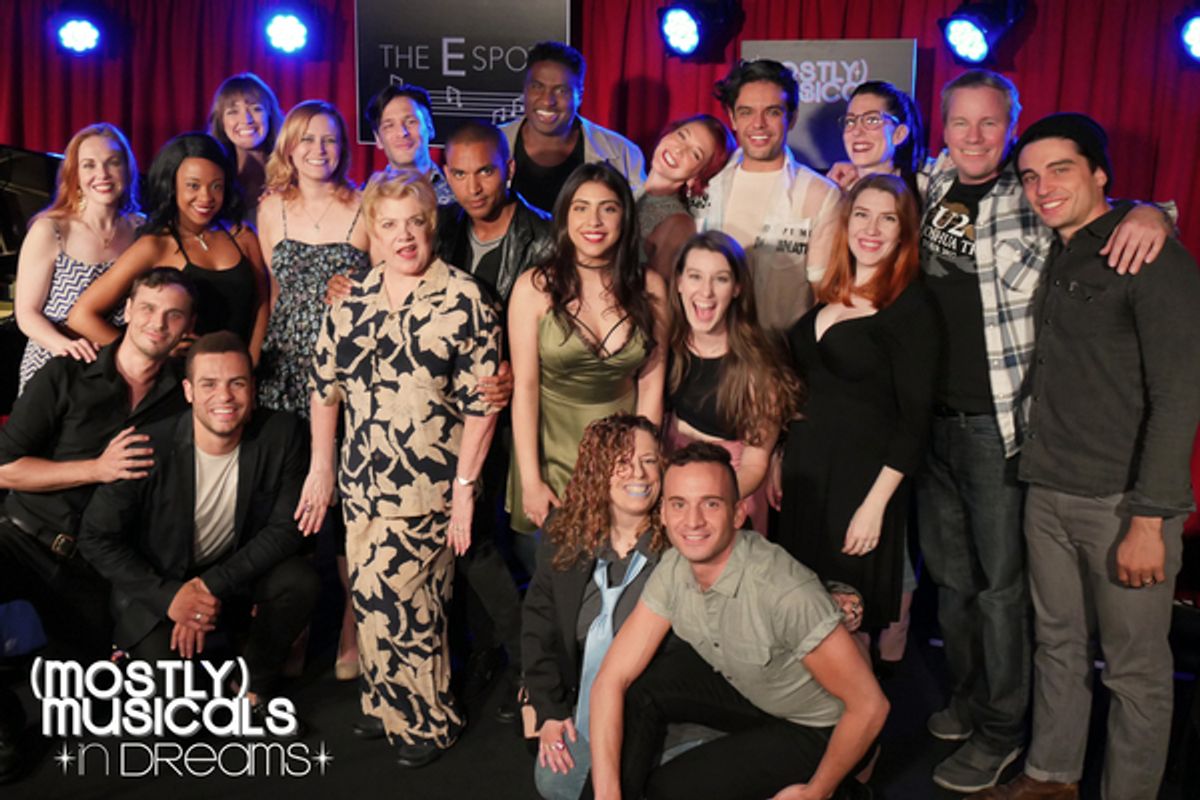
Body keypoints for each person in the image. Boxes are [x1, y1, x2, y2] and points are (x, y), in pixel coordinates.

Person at [915, 70, 1174, 794]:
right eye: (959, 122)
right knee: (958, 587)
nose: (973, 137)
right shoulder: (928, 184)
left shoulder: (1029, 199)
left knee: (1004, 594)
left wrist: (1155, 210)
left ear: (1011, 124)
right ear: (942, 128)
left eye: (989, 124)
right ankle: (985, 712)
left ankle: (1003, 729)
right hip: (934, 429)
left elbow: (1116, 219)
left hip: (1001, 430)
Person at [971, 114, 1200, 800]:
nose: (1042, 188)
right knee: (1059, 647)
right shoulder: (1058, 250)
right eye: (1031, 176)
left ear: (1100, 173)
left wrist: (1149, 518)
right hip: (1046, 491)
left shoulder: (1150, 254)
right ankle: (1051, 775)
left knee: (1134, 669)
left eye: (1061, 170)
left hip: (1122, 503)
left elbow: (1181, 396)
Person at [298, 169, 502, 768]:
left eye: (415, 222)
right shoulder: (352, 301)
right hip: (363, 484)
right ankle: (387, 705)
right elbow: (323, 390)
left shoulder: (465, 299)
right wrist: (321, 469)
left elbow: (484, 404)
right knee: (370, 601)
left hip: (430, 488)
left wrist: (464, 491)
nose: (403, 236)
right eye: (389, 225)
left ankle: (430, 722)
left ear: (432, 225)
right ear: (372, 231)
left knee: (412, 609)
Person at [588, 443, 887, 800]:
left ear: (738, 513)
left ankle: (848, 790)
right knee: (642, 692)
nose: (693, 521)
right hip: (752, 690)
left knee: (667, 791)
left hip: (818, 725)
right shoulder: (673, 568)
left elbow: (870, 706)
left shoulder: (782, 590)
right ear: (663, 513)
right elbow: (611, 679)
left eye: (710, 503)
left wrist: (817, 792)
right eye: (679, 504)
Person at [0, 268, 196, 775]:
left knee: (104, 707)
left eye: (173, 315)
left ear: (185, 328)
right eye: (148, 309)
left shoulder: (183, 399)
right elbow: (5, 468)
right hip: (22, 538)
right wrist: (96, 468)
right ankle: (4, 730)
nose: (158, 323)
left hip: (94, 568)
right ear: (127, 311)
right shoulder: (67, 372)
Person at [78, 332, 319, 712]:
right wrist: (171, 597)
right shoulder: (146, 445)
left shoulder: (281, 433)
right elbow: (95, 537)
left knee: (299, 580)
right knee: (178, 715)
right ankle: (141, 659)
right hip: (160, 584)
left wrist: (206, 587)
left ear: (253, 388)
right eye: (209, 384)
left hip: (230, 575)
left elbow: (286, 529)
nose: (224, 397)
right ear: (188, 390)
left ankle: (253, 687)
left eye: (236, 383)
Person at [775, 174, 938, 637]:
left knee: (846, 623)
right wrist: (777, 457)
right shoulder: (830, 296)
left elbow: (914, 420)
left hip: (860, 485)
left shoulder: (910, 309)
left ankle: (867, 710)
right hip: (805, 482)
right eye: (862, 215)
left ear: (904, 232)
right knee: (803, 622)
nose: (872, 229)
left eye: (888, 219)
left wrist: (875, 506)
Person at [437, 119, 554, 717]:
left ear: (508, 168)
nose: (473, 185)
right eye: (459, 173)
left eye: (485, 170)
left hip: (521, 417)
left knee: (511, 545)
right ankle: (489, 653)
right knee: (469, 543)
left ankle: (534, 668)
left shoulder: (544, 236)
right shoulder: (439, 228)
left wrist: (514, 365)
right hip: (448, 416)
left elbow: (560, 330)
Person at [256, 99, 370, 681]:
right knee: (291, 506)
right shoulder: (271, 207)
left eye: (329, 140)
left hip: (347, 374)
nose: (319, 151)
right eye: (307, 141)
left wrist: (362, 290)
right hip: (284, 374)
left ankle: (352, 624)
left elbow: (392, 288)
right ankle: (294, 626)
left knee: (348, 506)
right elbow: (270, 293)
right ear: (290, 148)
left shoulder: (365, 206)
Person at [507, 162, 667, 566]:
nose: (593, 221)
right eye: (581, 207)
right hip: (550, 458)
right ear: (564, 216)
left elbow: (650, 386)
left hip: (623, 466)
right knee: (551, 596)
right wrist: (531, 479)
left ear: (624, 218)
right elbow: (524, 389)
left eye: (608, 208)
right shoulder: (534, 287)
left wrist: (642, 470)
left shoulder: (650, 288)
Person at [523, 414, 667, 800]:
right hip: (585, 706)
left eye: (649, 460)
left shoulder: (680, 539)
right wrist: (550, 711)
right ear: (597, 470)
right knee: (557, 782)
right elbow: (539, 626)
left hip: (660, 709)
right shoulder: (563, 534)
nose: (638, 472)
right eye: (622, 462)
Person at [67, 133, 270, 364]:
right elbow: (81, 316)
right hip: (179, 380)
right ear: (172, 185)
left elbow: (261, 305)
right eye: (193, 186)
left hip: (238, 375)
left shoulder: (242, 236)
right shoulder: (155, 245)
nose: (206, 197)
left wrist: (249, 366)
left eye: (216, 186)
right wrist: (148, 353)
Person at [665, 230, 800, 534]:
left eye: (721, 279)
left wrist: (709, 501)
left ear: (738, 288)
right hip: (672, 479)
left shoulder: (758, 365)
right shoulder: (667, 344)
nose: (706, 292)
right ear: (679, 283)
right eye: (696, 276)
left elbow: (754, 463)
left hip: (729, 489)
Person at [695, 58, 841, 335]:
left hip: (780, 354)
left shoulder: (820, 194)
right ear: (732, 117)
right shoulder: (706, 182)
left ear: (792, 117)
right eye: (747, 112)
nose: (758, 124)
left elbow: (824, 295)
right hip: (707, 349)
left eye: (772, 112)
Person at [14, 123, 141, 393]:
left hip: (117, 372)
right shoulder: (51, 230)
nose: (102, 174)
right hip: (55, 365)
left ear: (127, 170)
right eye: (89, 165)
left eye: (112, 163)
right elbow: (26, 313)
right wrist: (67, 347)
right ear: (75, 175)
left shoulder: (142, 230)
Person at [502, 41, 646, 215]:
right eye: (537, 87)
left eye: (561, 91)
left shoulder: (623, 153)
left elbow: (642, 222)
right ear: (525, 90)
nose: (548, 100)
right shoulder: (490, 145)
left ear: (580, 95)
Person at [637, 115, 733, 281]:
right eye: (682, 136)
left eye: (695, 154)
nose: (679, 150)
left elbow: (656, 298)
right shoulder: (622, 190)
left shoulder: (679, 224)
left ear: (696, 177)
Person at [207, 72, 283, 224]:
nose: (246, 119)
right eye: (233, 111)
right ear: (221, 121)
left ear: (269, 114)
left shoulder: (293, 170)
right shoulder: (212, 173)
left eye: (256, 109)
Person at [829, 80, 926, 198]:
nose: (856, 131)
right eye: (850, 121)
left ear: (899, 134)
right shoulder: (835, 189)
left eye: (872, 120)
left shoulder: (923, 188)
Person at [365, 83, 455, 205]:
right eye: (389, 126)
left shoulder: (460, 192)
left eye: (411, 122)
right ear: (378, 139)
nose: (402, 133)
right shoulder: (365, 200)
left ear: (429, 127)